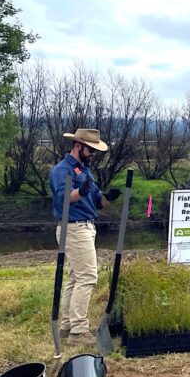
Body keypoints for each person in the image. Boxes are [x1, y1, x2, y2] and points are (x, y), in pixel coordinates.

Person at [49, 128, 121, 346]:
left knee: (75, 279)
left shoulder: (84, 170)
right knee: (88, 277)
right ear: (78, 146)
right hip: (74, 228)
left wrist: (108, 197)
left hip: (85, 226)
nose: (93, 154)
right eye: (91, 150)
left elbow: (97, 200)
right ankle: (79, 332)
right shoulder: (63, 171)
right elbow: (64, 199)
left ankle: (68, 326)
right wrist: (80, 192)